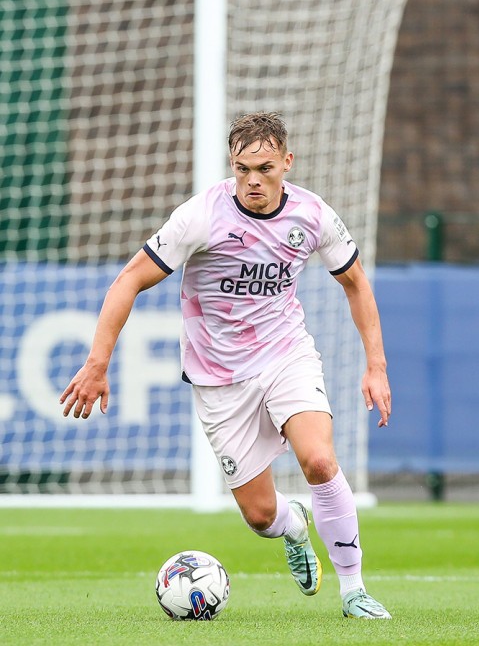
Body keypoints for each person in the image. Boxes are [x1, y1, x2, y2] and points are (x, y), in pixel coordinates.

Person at [60, 111, 393, 619]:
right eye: (241, 169)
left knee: (321, 461)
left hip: (286, 354)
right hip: (218, 377)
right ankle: (294, 525)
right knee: (261, 515)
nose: (253, 180)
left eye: (264, 168)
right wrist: (97, 363)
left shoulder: (313, 215)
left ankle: (354, 591)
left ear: (287, 162)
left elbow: (356, 283)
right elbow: (129, 279)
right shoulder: (202, 216)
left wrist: (376, 367)